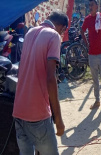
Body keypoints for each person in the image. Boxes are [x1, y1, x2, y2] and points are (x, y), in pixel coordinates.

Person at [13, 11, 68, 155]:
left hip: (19, 111)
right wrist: (59, 120)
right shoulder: (54, 36)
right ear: (61, 27)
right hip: (37, 116)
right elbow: (51, 79)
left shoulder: (30, 32)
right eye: (63, 31)